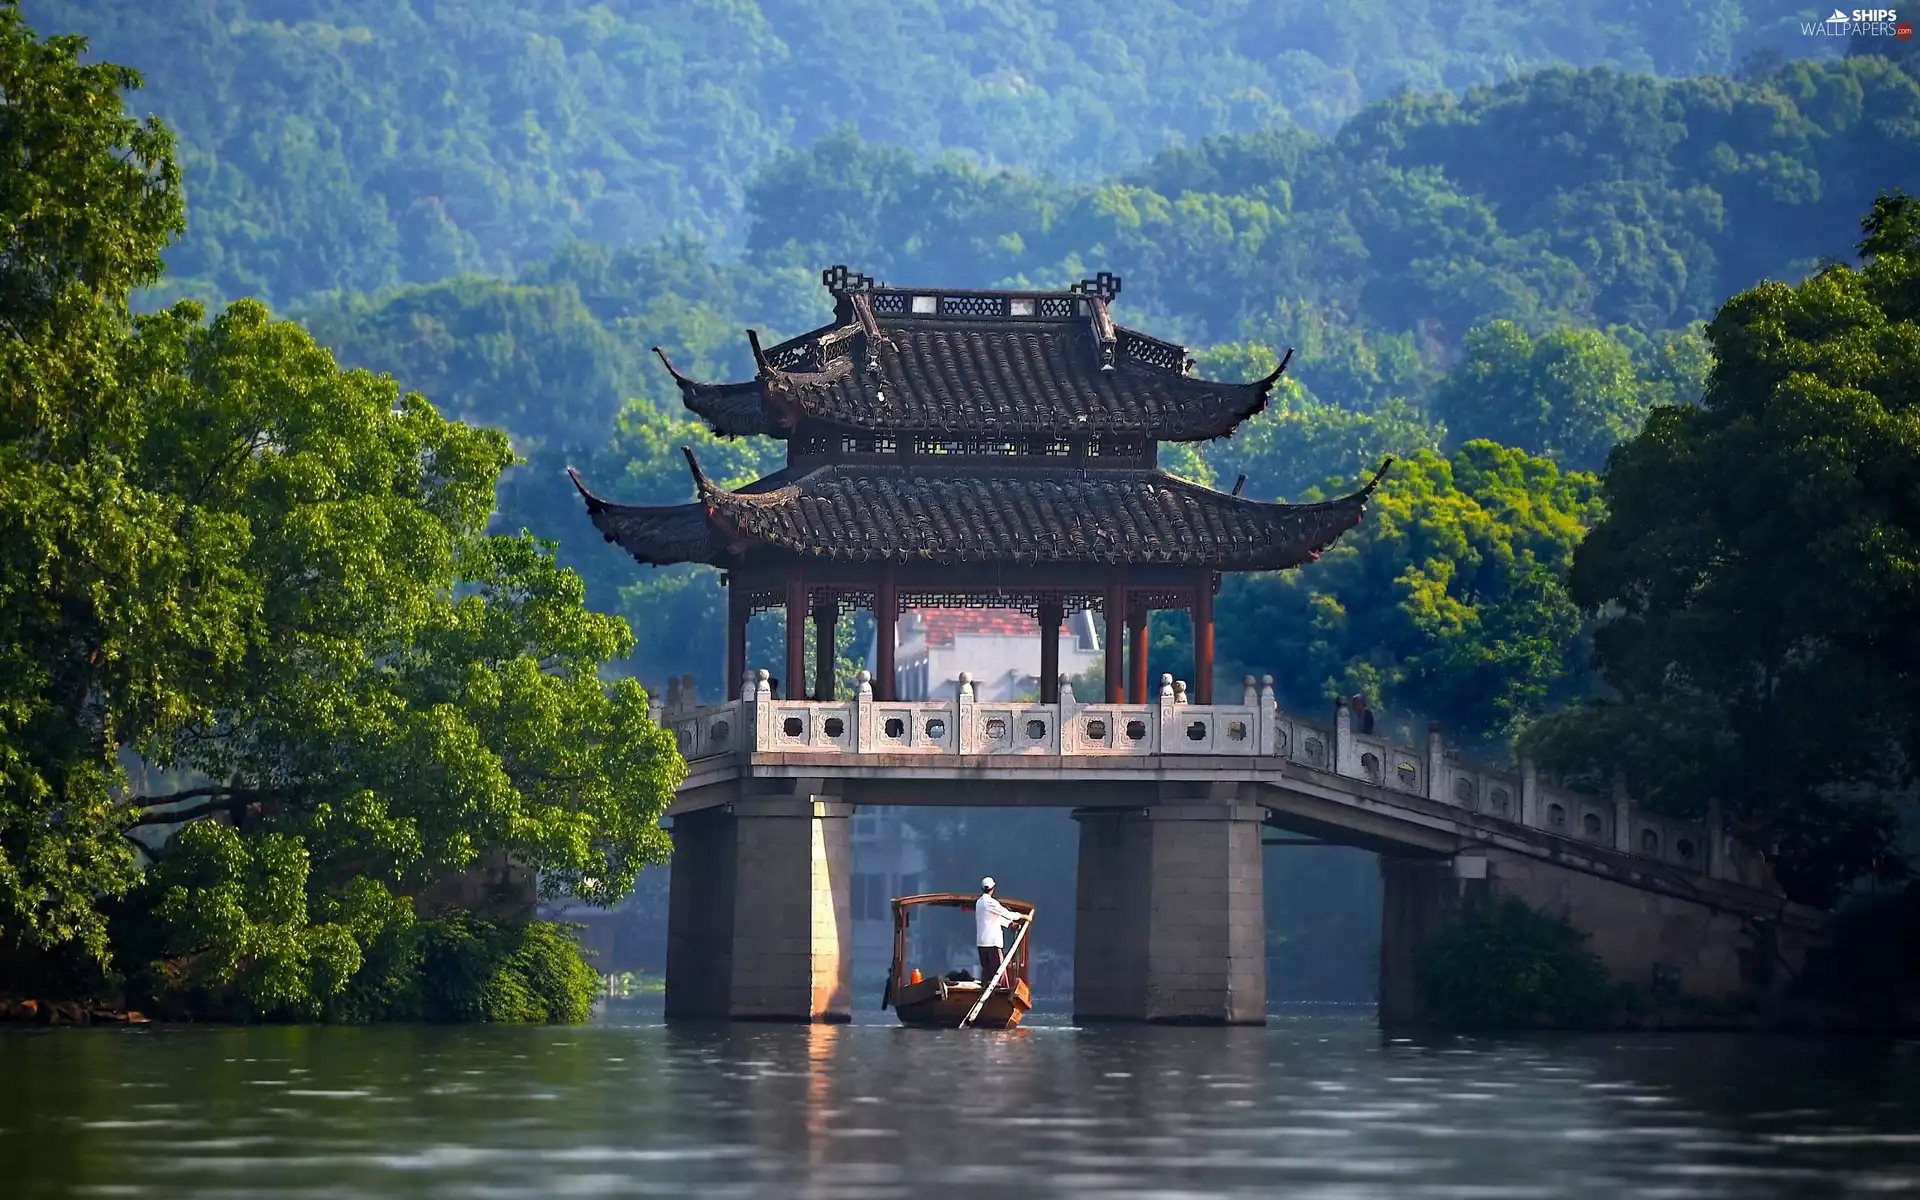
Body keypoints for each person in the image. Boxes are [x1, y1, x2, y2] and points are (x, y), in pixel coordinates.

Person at [974, 876, 1024, 990]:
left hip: (981, 943)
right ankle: (1000, 991)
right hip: (992, 943)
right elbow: (1006, 913)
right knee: (998, 972)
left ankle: (986, 988)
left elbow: (994, 918)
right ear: (993, 888)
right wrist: (1022, 916)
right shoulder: (991, 902)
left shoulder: (979, 903)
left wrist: (1009, 924)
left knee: (986, 970)